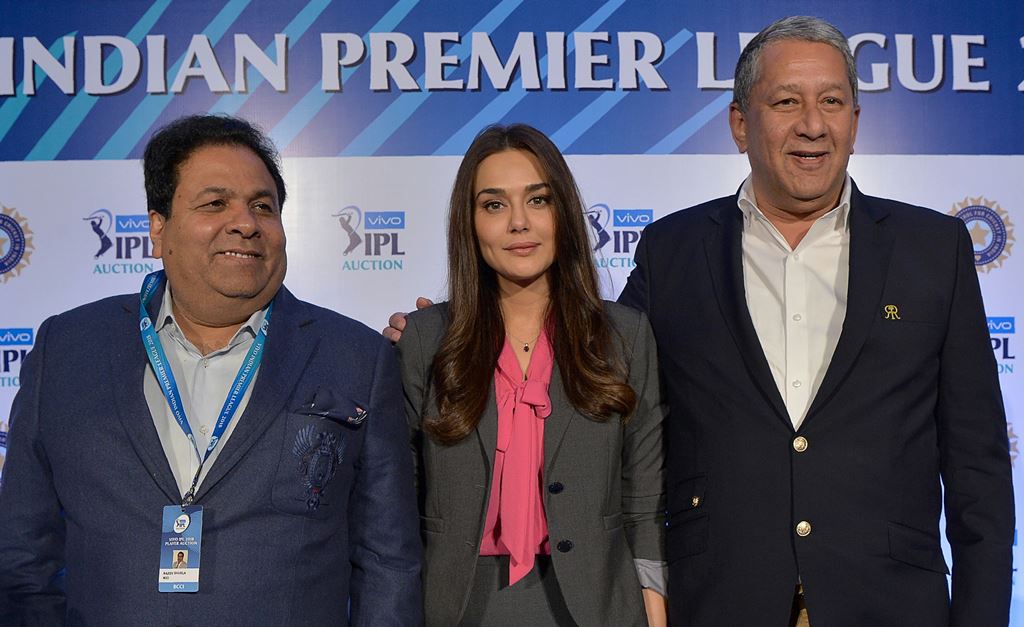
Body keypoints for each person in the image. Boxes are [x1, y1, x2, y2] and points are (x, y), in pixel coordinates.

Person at [386, 16, 1013, 627]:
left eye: (832, 101)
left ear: (856, 119)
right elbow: (582, 349)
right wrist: (455, 337)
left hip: (890, 602)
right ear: (740, 124)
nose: (813, 125)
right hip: (719, 599)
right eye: (787, 101)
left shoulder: (934, 249)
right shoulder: (673, 251)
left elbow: (978, 468)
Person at [0, 114, 421, 625]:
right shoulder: (67, 348)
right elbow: (21, 554)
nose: (246, 222)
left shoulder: (355, 355)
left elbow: (388, 563)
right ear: (158, 227)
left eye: (262, 206)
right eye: (215, 203)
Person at [395, 124, 666, 626]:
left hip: (597, 603)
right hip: (455, 604)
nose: (519, 223)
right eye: (494, 205)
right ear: (469, 224)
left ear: (563, 212)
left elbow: (643, 496)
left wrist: (653, 605)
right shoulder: (423, 339)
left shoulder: (624, 335)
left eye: (538, 200)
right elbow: (395, 505)